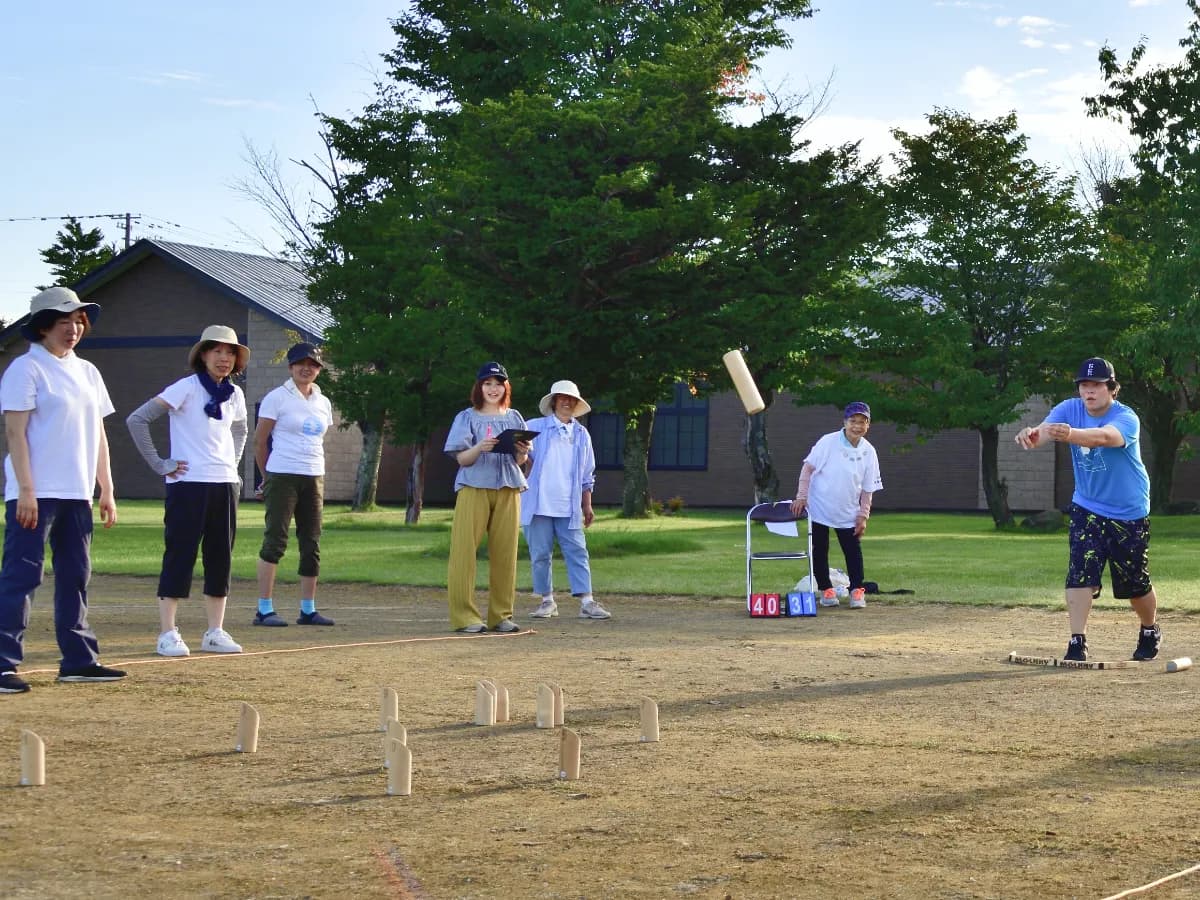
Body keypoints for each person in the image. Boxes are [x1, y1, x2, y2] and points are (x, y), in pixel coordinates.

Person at [0, 288, 125, 693]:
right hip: (35, 493)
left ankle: (79, 660)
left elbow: (99, 434)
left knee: (76, 575)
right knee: (22, 576)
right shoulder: (25, 368)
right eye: (64, 322)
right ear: (43, 327)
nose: (73, 329)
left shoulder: (88, 371)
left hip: (77, 492)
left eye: (78, 322)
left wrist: (105, 487)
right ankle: (2, 664)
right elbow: (15, 434)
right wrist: (26, 490)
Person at [1015, 357, 1158, 662]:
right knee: (1080, 572)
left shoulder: (1126, 417)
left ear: (1111, 388)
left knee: (1135, 584)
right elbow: (1044, 432)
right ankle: (1077, 641)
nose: (1089, 391)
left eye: (1096, 385)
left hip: (1127, 511)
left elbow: (1105, 437)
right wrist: (1031, 435)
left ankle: (1149, 629)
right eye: (1084, 385)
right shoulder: (1069, 409)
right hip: (1087, 506)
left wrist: (1071, 435)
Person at [126, 324, 249, 657]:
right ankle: (168, 633)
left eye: (230, 352)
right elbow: (137, 419)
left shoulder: (235, 395)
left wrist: (232, 468)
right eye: (217, 351)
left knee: (220, 557)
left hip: (223, 484)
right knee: (180, 554)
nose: (224, 358)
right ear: (204, 354)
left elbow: (240, 431)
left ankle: (215, 631)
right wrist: (160, 463)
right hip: (187, 485)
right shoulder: (186, 388)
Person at [252, 342, 335, 627]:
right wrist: (267, 477)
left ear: (319, 370)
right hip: (282, 473)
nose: (307, 368)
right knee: (276, 539)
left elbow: (319, 440)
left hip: (313, 475)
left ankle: (308, 609)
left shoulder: (323, 402)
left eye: (313, 365)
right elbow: (260, 442)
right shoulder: (277, 398)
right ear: (290, 367)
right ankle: (264, 609)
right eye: (301, 363)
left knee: (311, 541)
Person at [444, 362, 530, 633]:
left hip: (508, 486)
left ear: (506, 387)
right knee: (464, 552)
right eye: (487, 383)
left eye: (498, 383)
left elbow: (521, 459)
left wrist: (522, 449)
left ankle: (501, 615)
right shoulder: (466, 417)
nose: (493, 388)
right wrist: (480, 447)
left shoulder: (515, 417)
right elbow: (462, 459)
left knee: (506, 553)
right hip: (473, 486)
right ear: (479, 387)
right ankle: (465, 616)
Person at [522, 380, 610, 620]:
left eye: (571, 399)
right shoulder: (533, 427)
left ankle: (587, 602)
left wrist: (587, 504)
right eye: (562, 397)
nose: (566, 402)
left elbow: (587, 474)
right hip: (537, 504)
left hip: (568, 506)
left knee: (578, 551)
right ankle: (546, 601)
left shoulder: (582, 434)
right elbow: (518, 459)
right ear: (553, 401)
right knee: (540, 553)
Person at [790, 401, 883, 610]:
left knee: (853, 550)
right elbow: (807, 470)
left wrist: (863, 515)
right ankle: (826, 590)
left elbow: (869, 488)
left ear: (868, 425)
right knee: (820, 548)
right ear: (845, 422)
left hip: (848, 510)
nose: (857, 426)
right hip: (820, 505)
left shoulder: (869, 451)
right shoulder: (828, 442)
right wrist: (801, 497)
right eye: (853, 421)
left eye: (862, 422)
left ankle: (857, 590)